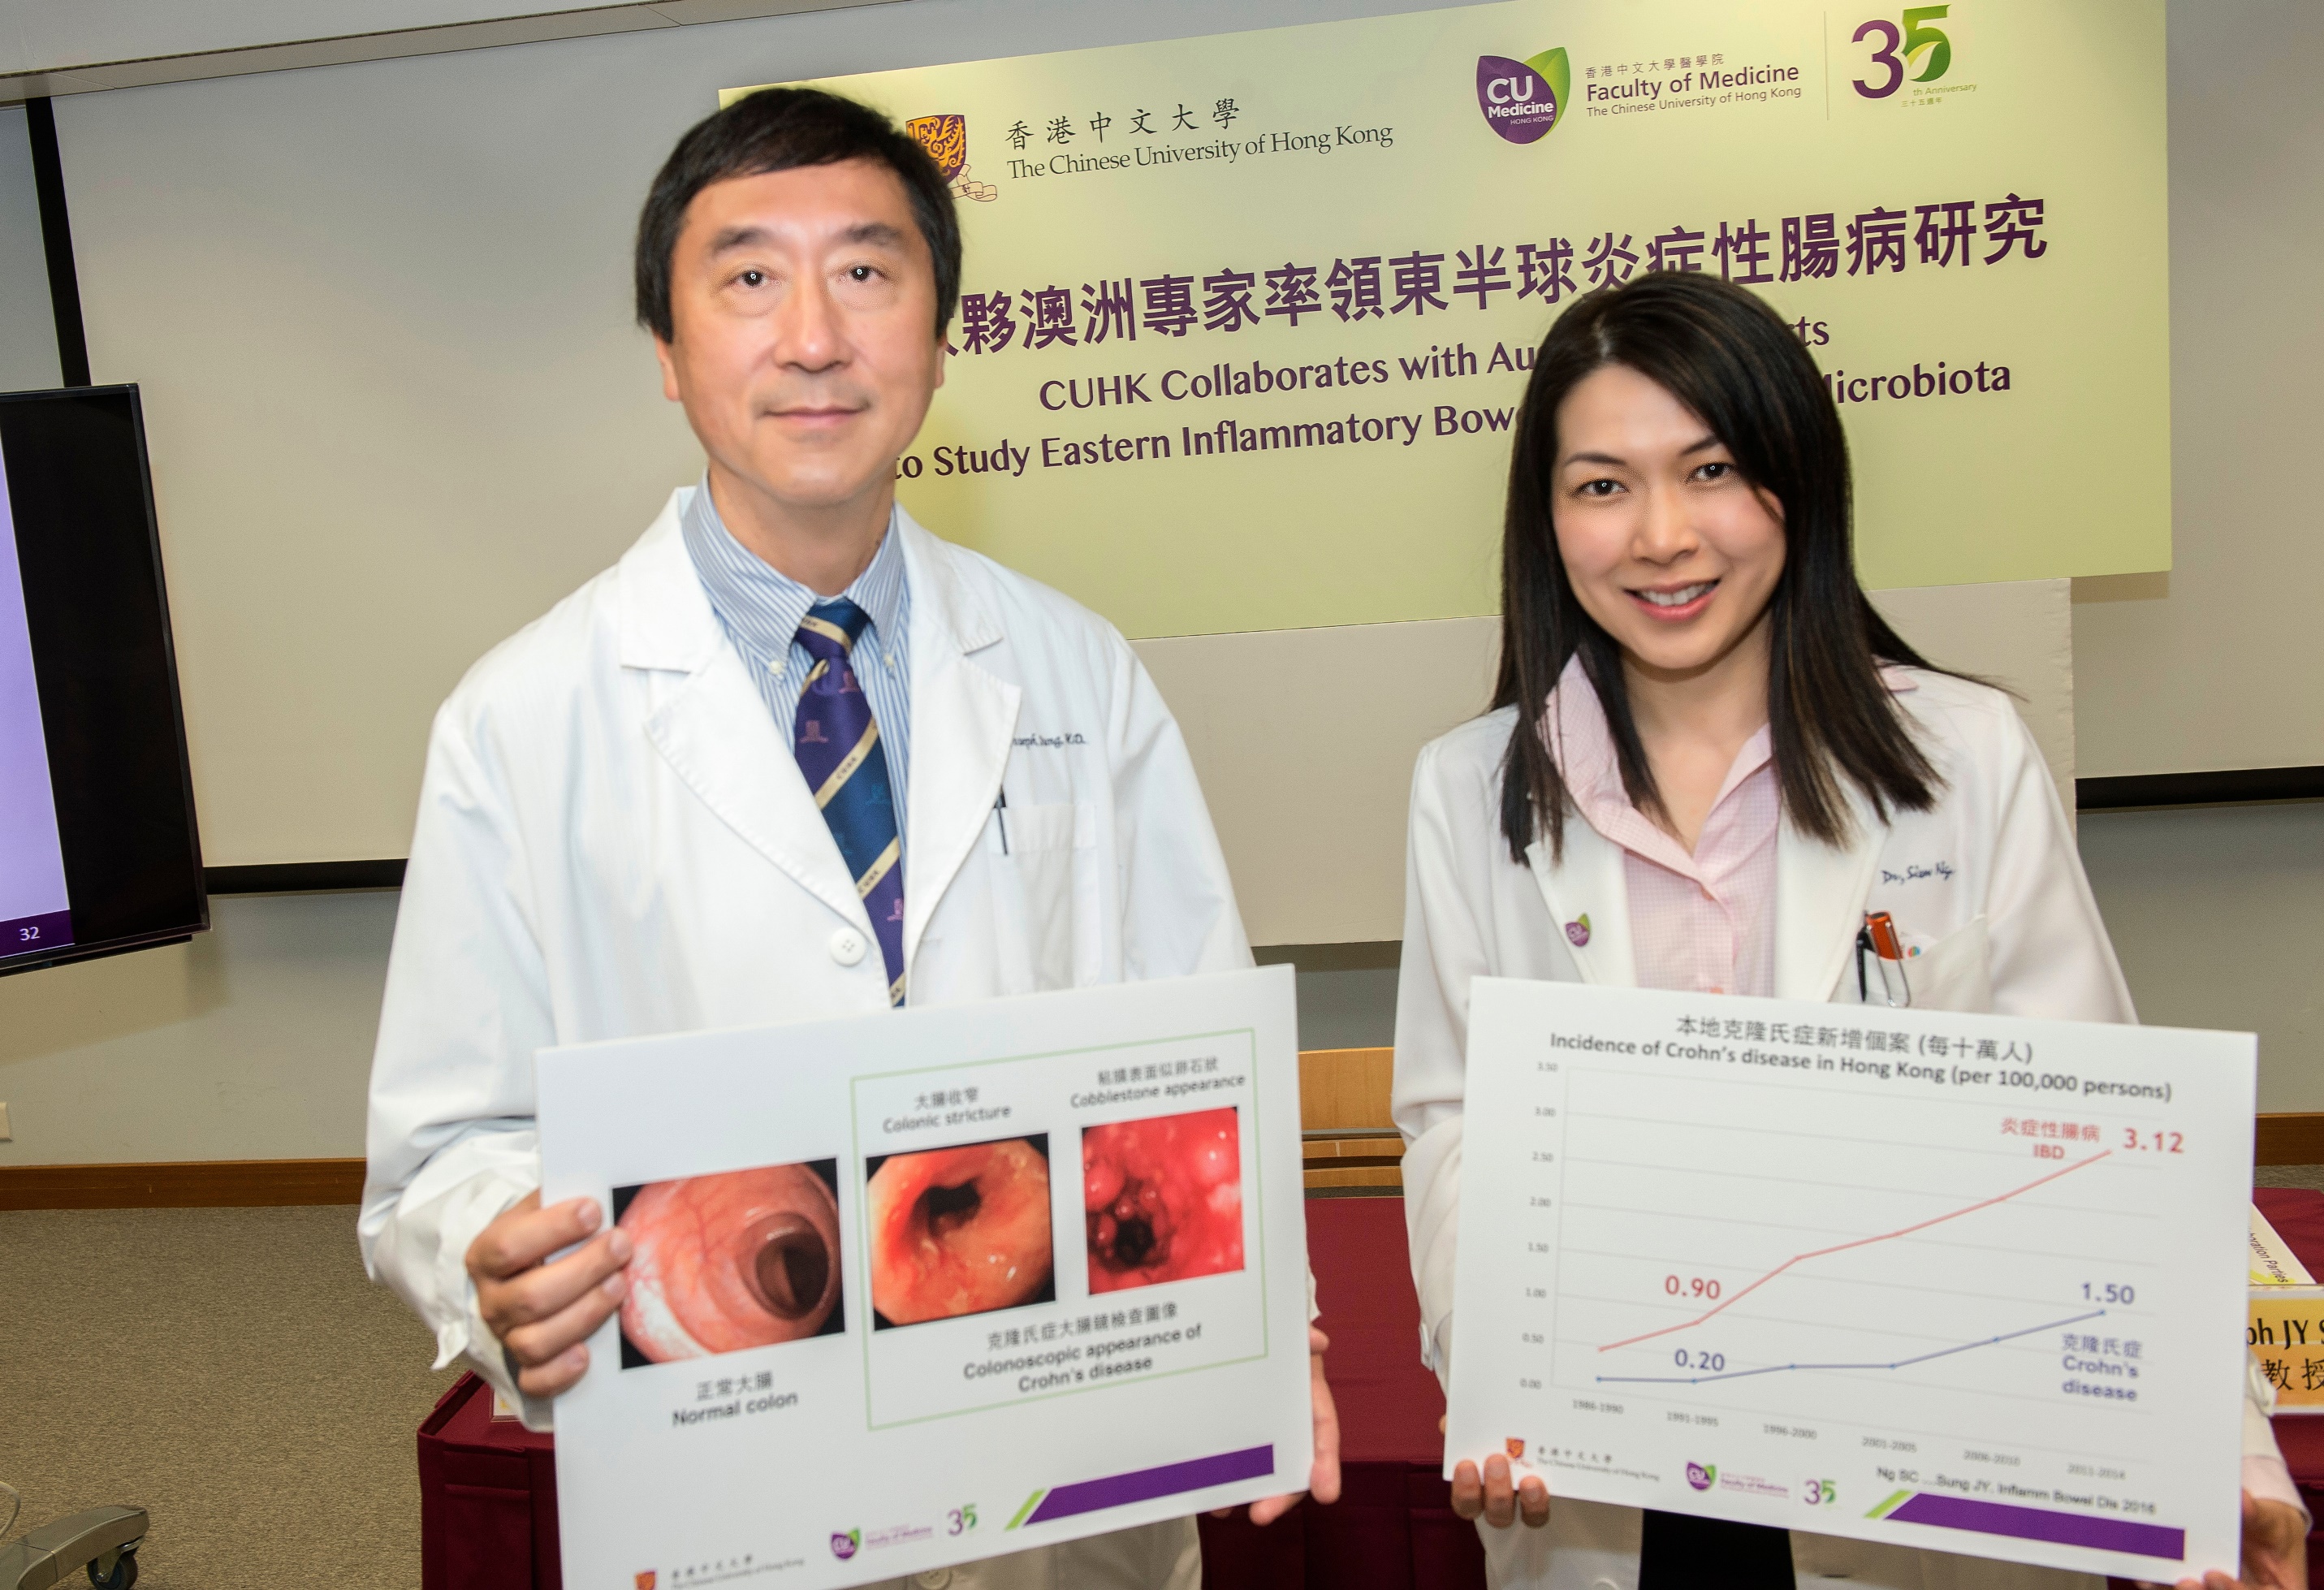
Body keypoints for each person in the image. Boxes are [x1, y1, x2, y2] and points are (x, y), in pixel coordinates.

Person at [359, 86, 1337, 1589]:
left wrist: (1269, 1327)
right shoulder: (521, 715)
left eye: (868, 272)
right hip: (724, 1466)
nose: (812, 334)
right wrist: (497, 1261)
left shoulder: (1076, 666)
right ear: (669, 356)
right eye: (748, 277)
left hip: (1056, 1473)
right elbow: (443, 1148)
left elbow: (1195, 1057)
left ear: (940, 339)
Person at [1389, 270, 2305, 1590]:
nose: (1659, 535)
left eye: (1709, 469)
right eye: (1599, 484)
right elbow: (1454, 1122)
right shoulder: (1470, 787)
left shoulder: (1960, 755)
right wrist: (1500, 1375)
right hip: (1607, 1476)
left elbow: (2106, 1140)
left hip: (1913, 1472)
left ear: (1796, 483)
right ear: (1545, 520)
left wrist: (2223, 1457)